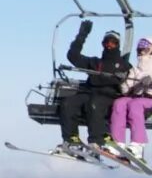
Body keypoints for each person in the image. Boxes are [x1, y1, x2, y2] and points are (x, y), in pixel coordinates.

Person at [53, 21, 128, 157]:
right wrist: (82, 35)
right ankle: (71, 140)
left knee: (94, 104)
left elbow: (131, 82)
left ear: (118, 45)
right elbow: (73, 56)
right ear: (103, 44)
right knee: (68, 103)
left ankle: (97, 141)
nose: (109, 45)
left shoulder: (124, 65)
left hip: (109, 96)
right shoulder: (95, 62)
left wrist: (123, 78)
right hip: (90, 92)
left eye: (113, 43)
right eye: (106, 42)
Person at [109, 36, 152, 161]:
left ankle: (138, 143)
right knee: (120, 103)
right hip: (136, 97)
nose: (141, 51)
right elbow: (125, 90)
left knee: (135, 105)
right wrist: (122, 80)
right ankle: (118, 142)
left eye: (145, 48)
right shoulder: (136, 69)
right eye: (139, 49)